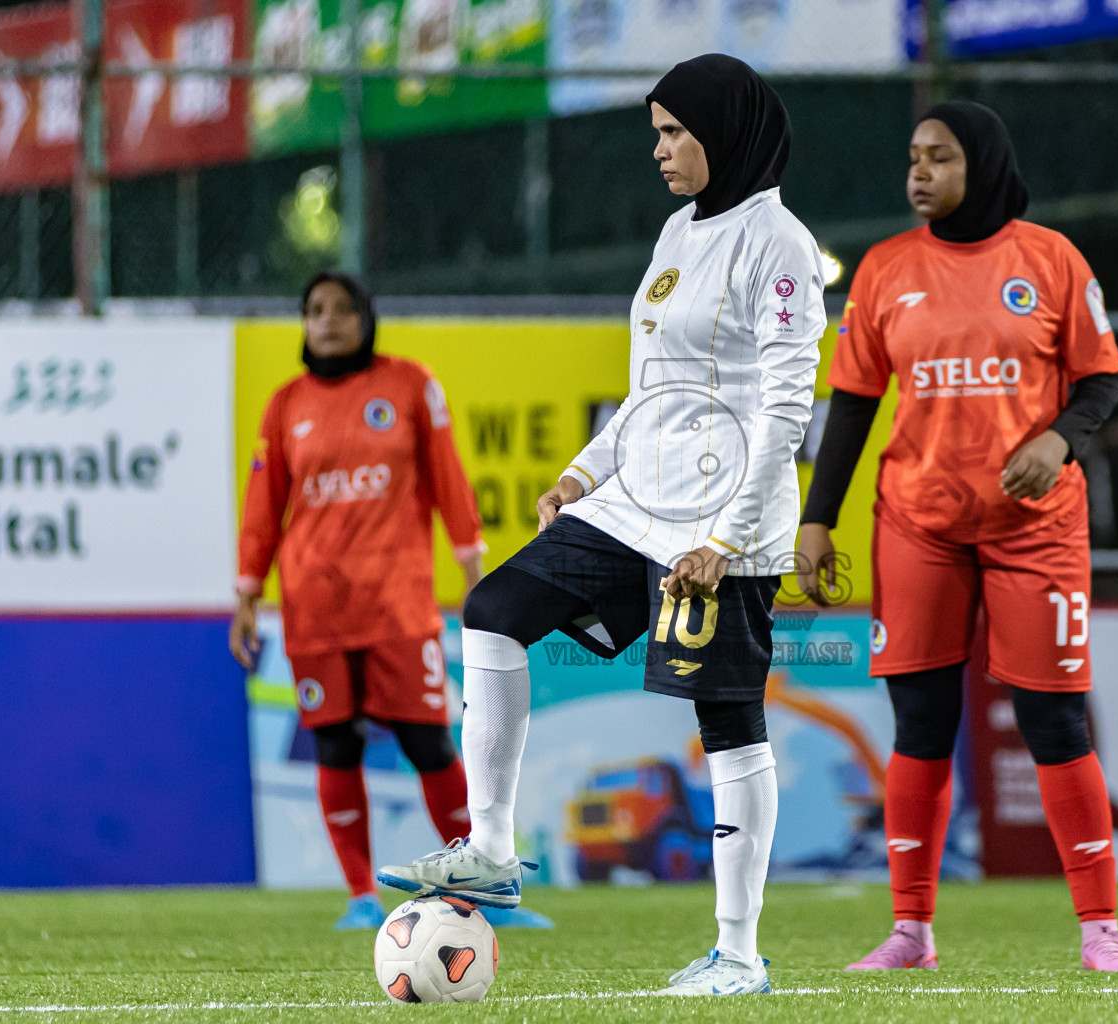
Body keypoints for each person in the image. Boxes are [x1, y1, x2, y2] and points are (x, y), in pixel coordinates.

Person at [378, 53, 824, 997]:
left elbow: (787, 410)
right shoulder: (676, 230)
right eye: (654, 133)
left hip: (722, 517)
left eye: (674, 132)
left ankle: (738, 955)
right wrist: (585, 471)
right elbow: (649, 388)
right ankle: (492, 847)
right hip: (634, 506)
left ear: (726, 132)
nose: (658, 151)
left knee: (729, 722)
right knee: (495, 609)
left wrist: (729, 539)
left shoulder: (777, 244)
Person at [797, 102, 1118, 973]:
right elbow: (851, 404)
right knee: (921, 718)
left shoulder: (1052, 260)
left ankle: (1101, 932)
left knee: (1055, 719)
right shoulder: (884, 269)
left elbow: (1101, 380)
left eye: (939, 157)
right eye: (912, 157)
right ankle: (910, 932)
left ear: (981, 163)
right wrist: (815, 518)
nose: (918, 172)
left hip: (1036, 527)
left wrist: (1059, 438)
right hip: (919, 523)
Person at [231, 271, 486, 931]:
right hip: (316, 608)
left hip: (399, 604)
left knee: (428, 742)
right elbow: (263, 510)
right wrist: (246, 594)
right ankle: (360, 898)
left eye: (343, 308)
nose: (329, 320)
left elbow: (448, 478)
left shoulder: (410, 385)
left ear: (367, 317)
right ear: (303, 324)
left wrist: (472, 564)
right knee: (336, 745)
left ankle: (480, 892)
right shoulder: (285, 405)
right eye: (315, 310)